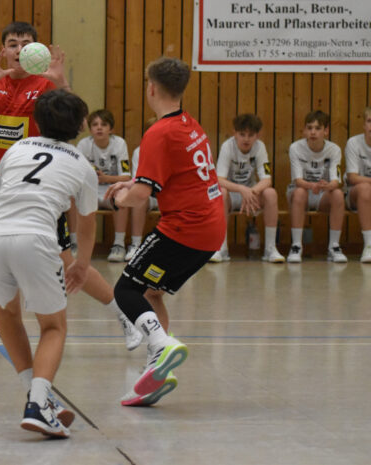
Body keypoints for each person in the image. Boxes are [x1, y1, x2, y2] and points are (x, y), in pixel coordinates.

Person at [0, 21, 141, 361]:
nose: (19, 49)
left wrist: (61, 81)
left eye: (25, 43)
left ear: (37, 49)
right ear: (3, 51)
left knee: (67, 262)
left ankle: (124, 316)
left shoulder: (46, 84)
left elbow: (78, 123)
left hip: (39, 189)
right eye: (12, 44)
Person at [0, 89, 97, 438]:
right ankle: (39, 405)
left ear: (37, 123)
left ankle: (37, 397)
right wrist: (82, 264)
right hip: (36, 239)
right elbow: (87, 223)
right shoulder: (82, 165)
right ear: (81, 126)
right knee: (53, 327)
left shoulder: (15, 149)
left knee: (7, 313)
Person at [105, 57, 226, 406]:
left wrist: (120, 199)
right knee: (152, 292)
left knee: (126, 290)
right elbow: (172, 174)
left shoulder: (158, 132)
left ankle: (161, 344)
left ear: (151, 88)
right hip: (211, 228)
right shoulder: (190, 124)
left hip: (185, 227)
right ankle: (157, 372)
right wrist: (134, 182)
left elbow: (141, 196)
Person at [209, 114, 285, 263]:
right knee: (220, 193)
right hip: (232, 194)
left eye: (251, 135)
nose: (246, 139)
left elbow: (267, 179)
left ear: (257, 135)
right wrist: (241, 189)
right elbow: (219, 180)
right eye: (242, 134)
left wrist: (251, 191)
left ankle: (270, 249)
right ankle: (221, 248)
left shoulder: (260, 147)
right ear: (235, 133)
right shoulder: (227, 146)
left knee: (270, 193)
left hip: (251, 194)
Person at [286, 110, 347, 263]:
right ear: (304, 130)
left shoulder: (334, 149)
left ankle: (334, 247)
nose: (313, 132)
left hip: (322, 194)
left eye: (318, 128)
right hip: (301, 192)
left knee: (338, 194)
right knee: (300, 192)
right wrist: (312, 185)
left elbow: (336, 181)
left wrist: (327, 186)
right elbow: (297, 180)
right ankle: (296, 246)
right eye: (309, 128)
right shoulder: (295, 147)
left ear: (326, 131)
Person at [74, 109, 132, 262]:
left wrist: (106, 178)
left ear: (111, 129)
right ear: (90, 129)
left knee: (123, 195)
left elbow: (126, 176)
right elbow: (77, 174)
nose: (99, 128)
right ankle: (75, 243)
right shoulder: (83, 145)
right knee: (72, 195)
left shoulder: (119, 143)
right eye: (95, 124)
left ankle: (119, 245)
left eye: (104, 124)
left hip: (111, 190)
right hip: (90, 191)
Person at [125, 117, 158, 262]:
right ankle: (136, 245)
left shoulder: (173, 150)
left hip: (169, 195)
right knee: (139, 197)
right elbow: (137, 180)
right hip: (150, 194)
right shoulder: (139, 151)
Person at [344, 107, 371, 263]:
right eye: (370, 121)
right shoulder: (354, 143)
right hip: (354, 194)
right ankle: (369, 245)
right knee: (365, 189)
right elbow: (353, 178)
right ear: (364, 125)